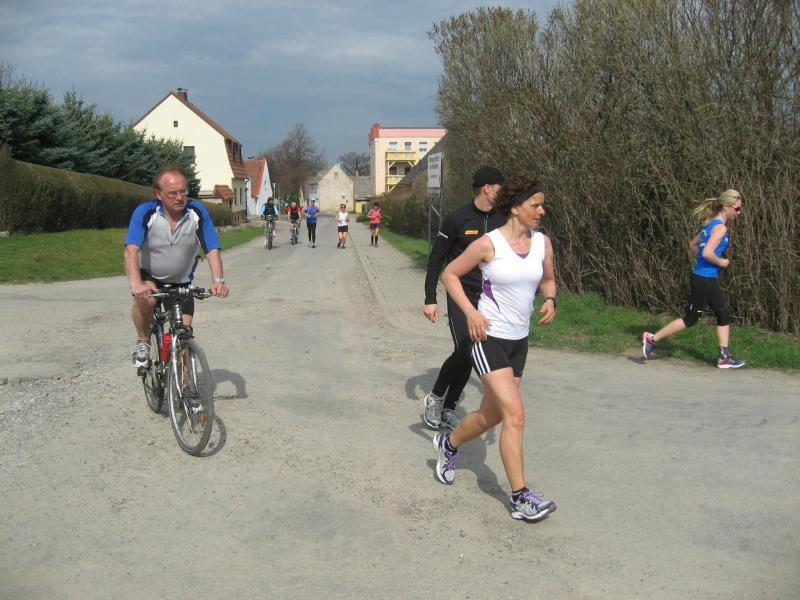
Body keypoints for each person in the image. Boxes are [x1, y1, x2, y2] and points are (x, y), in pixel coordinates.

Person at [432, 173, 558, 523]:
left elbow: (549, 279)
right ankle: (520, 497)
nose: (542, 211)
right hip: (488, 339)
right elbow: (450, 274)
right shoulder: (489, 244)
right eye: (536, 205)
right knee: (515, 415)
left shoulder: (542, 243)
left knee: (493, 416)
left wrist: (551, 299)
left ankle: (448, 443)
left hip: (519, 341)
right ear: (516, 207)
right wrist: (471, 313)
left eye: (542, 205)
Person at [422, 166, 506, 430]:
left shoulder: (502, 219)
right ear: (487, 188)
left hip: (489, 298)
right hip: (461, 295)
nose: (503, 192)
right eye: (500, 187)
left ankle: (448, 408)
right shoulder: (458, 219)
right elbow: (436, 258)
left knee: (472, 352)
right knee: (465, 347)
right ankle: (435, 398)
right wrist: (430, 298)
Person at [125, 164, 230, 368]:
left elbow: (212, 249)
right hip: (149, 277)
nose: (180, 197)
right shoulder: (145, 213)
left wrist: (218, 281)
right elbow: (131, 251)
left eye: (183, 191)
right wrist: (136, 284)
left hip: (181, 281)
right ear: (159, 194)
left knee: (183, 339)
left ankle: (183, 385)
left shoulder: (196, 212)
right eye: (172, 193)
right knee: (146, 300)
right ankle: (142, 341)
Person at [642, 189, 746, 368]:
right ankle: (652, 339)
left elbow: (693, 245)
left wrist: (707, 259)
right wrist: (721, 262)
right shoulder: (720, 228)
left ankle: (724, 357)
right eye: (737, 209)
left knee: (722, 313)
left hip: (705, 278)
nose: (739, 212)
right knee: (691, 319)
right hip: (704, 279)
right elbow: (706, 253)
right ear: (727, 207)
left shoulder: (710, 224)